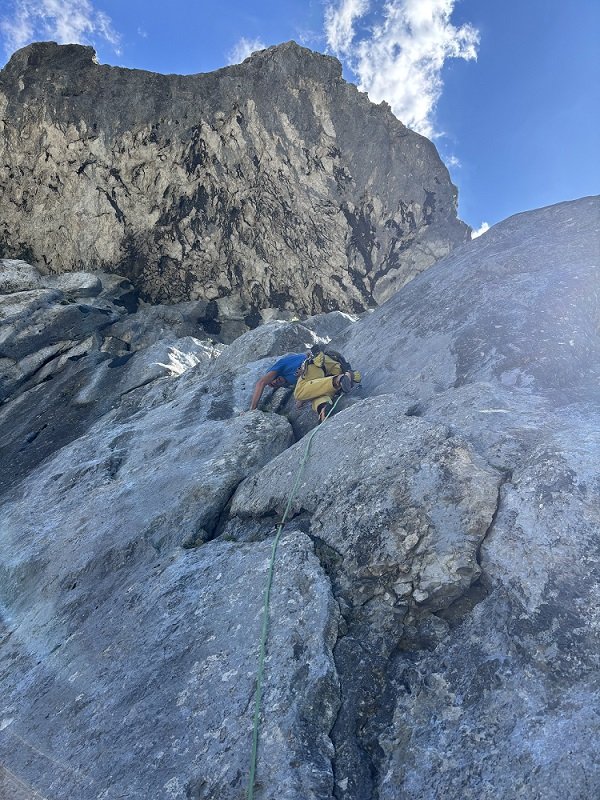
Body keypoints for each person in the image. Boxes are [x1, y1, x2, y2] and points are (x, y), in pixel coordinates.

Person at [294, 349, 361, 423]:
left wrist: (302, 399)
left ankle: (338, 380)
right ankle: (323, 410)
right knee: (319, 394)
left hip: (319, 365)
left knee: (298, 392)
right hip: (335, 369)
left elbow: (302, 393)